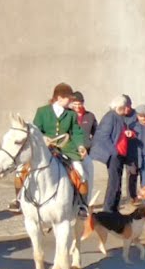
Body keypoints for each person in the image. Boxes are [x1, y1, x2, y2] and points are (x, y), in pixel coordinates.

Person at [30, 82, 88, 216]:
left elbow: (76, 132)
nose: (72, 102)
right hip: (45, 149)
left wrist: (80, 145)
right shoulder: (42, 111)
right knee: (22, 170)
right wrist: (43, 138)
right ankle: (19, 200)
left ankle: (82, 205)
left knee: (80, 172)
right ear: (59, 98)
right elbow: (35, 130)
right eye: (69, 99)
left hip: (66, 148)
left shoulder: (71, 114)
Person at [90, 95, 128, 213]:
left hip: (119, 155)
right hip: (113, 155)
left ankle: (114, 208)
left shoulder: (119, 117)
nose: (126, 109)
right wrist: (114, 152)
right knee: (114, 182)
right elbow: (102, 136)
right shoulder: (111, 117)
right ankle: (108, 209)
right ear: (120, 107)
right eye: (124, 106)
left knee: (117, 182)